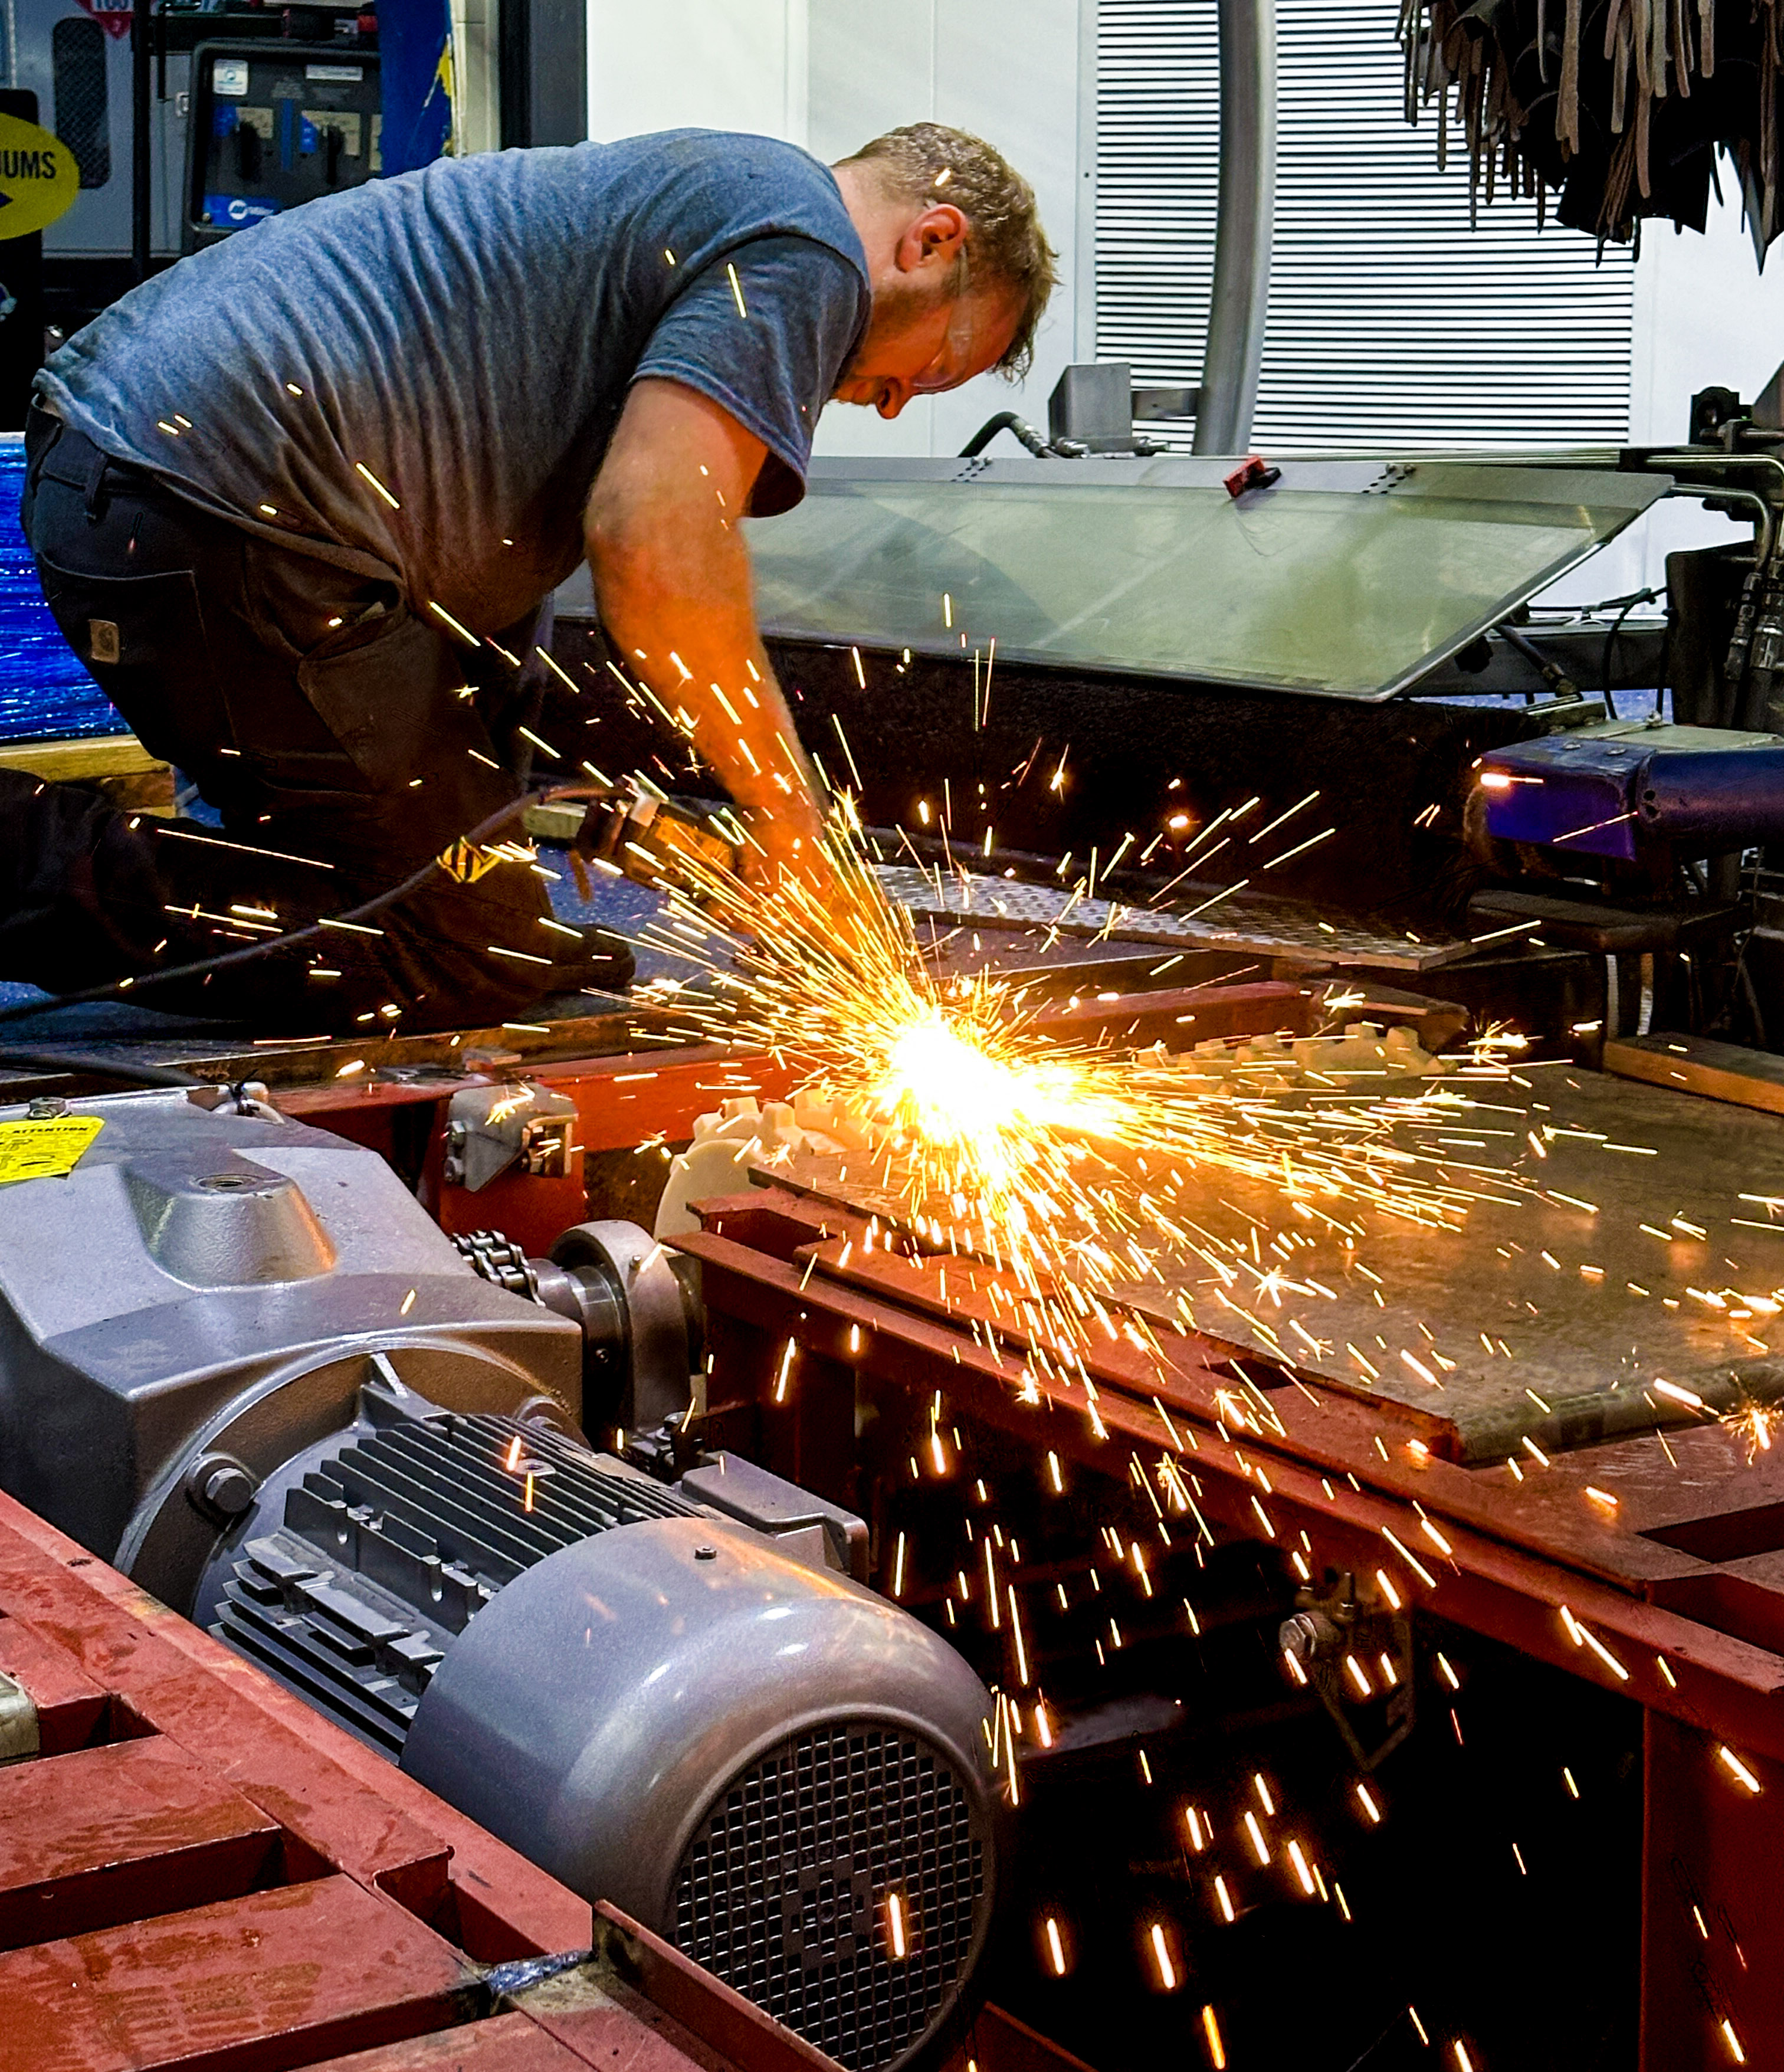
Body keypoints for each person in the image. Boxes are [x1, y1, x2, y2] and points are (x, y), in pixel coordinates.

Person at [2, 122, 1055, 1034]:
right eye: (934, 368)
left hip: (137, 485)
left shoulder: (709, 194)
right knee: (458, 951)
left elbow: (497, 582)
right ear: (932, 240)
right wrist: (795, 828)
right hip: (216, 498)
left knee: (472, 914)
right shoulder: (807, 244)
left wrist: (518, 831)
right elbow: (655, 546)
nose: (893, 404)